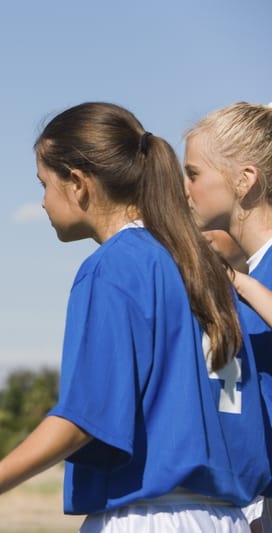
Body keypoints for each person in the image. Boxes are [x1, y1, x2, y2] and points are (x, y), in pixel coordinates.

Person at [0, 102, 272, 531]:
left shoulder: (118, 264)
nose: (43, 202)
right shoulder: (206, 267)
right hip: (229, 518)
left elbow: (88, 414)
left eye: (44, 184)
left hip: (148, 516)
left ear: (78, 184)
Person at [183, 101, 272, 532]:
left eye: (194, 174)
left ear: (245, 180)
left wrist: (239, 283)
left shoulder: (252, 280)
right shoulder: (251, 272)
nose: (184, 188)